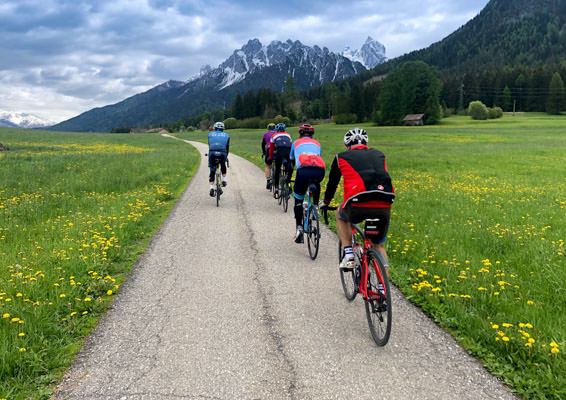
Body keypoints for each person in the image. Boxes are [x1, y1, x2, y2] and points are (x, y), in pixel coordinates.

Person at [319, 127, 395, 270]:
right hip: (385, 202)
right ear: (365, 143)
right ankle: (383, 288)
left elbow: (332, 184)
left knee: (341, 215)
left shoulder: (340, 157)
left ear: (347, 145)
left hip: (357, 203)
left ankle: (349, 255)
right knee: (378, 245)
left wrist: (326, 202)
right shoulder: (380, 154)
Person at [289, 123, 325, 243]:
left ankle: (299, 228)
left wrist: (293, 174)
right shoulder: (317, 144)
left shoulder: (295, 143)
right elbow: (318, 157)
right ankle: (315, 208)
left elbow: (292, 160)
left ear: (300, 134)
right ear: (312, 134)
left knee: (298, 201)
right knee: (316, 183)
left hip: (303, 172)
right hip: (319, 172)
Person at [268, 123, 292, 199]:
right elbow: (291, 146)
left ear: (277, 130)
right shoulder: (288, 135)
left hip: (279, 153)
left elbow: (271, 149)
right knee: (288, 170)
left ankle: (276, 190)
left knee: (277, 171)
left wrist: (270, 157)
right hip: (288, 153)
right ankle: (288, 185)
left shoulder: (273, 136)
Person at [207, 121, 230, 197]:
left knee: (212, 171)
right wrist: (226, 157)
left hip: (212, 153)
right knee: (223, 164)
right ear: (223, 129)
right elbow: (227, 148)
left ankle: (211, 188)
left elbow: (210, 145)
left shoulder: (210, 134)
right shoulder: (227, 135)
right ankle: (224, 180)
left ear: (215, 128)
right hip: (222, 153)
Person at [261, 122, 276, 189]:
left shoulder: (265, 134)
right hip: (277, 150)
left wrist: (264, 152)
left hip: (269, 150)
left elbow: (263, 145)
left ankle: (268, 181)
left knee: (267, 165)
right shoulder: (277, 134)